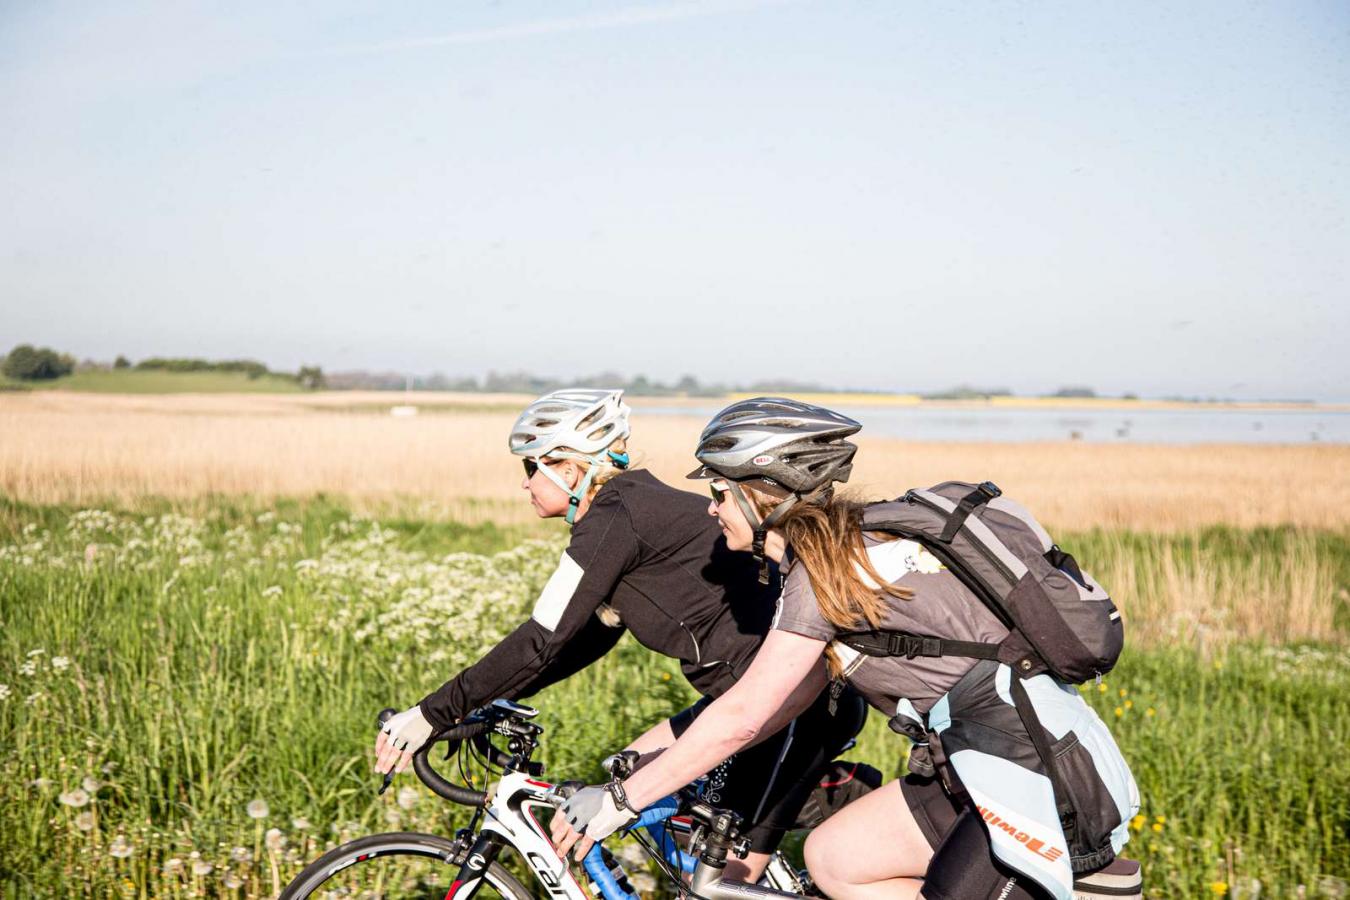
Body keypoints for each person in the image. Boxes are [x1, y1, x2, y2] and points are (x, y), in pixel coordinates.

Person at [552, 397, 1139, 900]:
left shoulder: (822, 576)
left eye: (719, 493)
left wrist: (623, 801)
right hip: (969, 763)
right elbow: (774, 704)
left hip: (1033, 771)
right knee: (836, 858)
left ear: (762, 496)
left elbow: (742, 716)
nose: (711, 508)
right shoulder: (832, 564)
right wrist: (640, 761)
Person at [374, 389, 864, 881]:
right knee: (625, 769)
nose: (524, 486)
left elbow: (540, 637)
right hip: (742, 696)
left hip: (791, 705)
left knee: (723, 883)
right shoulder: (623, 512)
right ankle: (821, 797)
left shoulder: (616, 515)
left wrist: (432, 712)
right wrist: (484, 702)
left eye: (530, 469)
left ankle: (822, 801)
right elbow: (582, 639)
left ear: (566, 469)